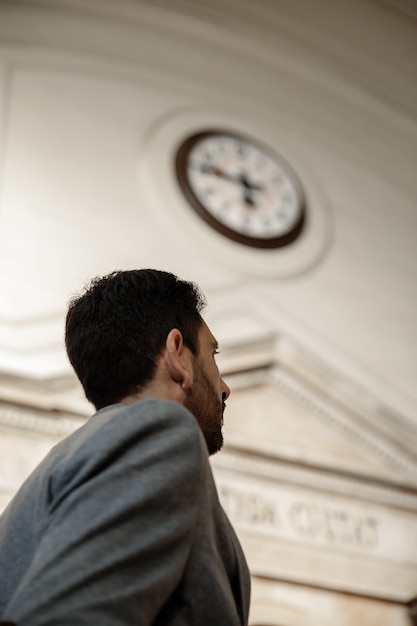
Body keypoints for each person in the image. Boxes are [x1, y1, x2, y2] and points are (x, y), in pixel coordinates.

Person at [0, 269, 251, 625]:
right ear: (177, 354)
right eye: (213, 354)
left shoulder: (63, 462)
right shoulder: (162, 431)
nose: (224, 388)